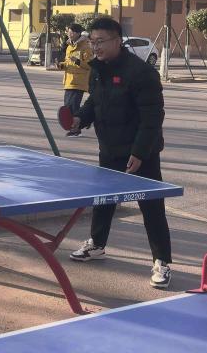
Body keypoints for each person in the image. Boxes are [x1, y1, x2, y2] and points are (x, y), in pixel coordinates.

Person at [68, 17, 173, 289]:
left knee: (152, 207)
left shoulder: (141, 73)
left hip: (141, 155)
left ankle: (162, 261)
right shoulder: (98, 69)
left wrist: (139, 152)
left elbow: (152, 118)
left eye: (100, 41)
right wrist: (80, 119)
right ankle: (97, 245)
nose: (95, 47)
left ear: (117, 41)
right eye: (92, 41)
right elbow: (94, 101)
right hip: (109, 149)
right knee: (103, 201)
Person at [58, 23, 92, 137]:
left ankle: (76, 129)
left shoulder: (85, 47)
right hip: (68, 81)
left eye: (71, 32)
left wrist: (77, 61)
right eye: (68, 32)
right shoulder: (69, 47)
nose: (69, 34)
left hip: (78, 82)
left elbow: (89, 65)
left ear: (78, 33)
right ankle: (79, 124)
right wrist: (61, 65)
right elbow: (68, 63)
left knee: (73, 107)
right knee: (67, 107)